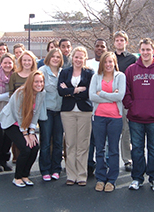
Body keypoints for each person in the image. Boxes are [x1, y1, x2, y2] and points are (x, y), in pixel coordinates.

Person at [123, 38, 154, 192]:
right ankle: (137, 178)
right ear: (140, 51)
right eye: (143, 50)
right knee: (136, 148)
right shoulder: (131, 69)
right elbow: (126, 91)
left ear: (153, 50)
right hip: (135, 117)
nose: (145, 52)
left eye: (148, 50)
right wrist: (132, 105)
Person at [0, 70, 46, 187]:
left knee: (35, 147)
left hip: (25, 123)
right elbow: (18, 114)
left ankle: (25, 175)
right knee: (25, 148)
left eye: (41, 82)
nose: (39, 84)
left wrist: (32, 132)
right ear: (30, 82)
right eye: (36, 82)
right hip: (11, 122)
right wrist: (25, 134)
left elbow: (36, 113)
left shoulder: (41, 94)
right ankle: (17, 177)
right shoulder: (21, 93)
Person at [89, 51, 125, 192]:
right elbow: (92, 96)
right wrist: (112, 95)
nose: (108, 64)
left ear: (114, 62)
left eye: (110, 61)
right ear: (101, 64)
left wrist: (102, 94)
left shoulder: (120, 76)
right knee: (100, 149)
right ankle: (101, 178)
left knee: (113, 149)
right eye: (105, 62)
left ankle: (111, 179)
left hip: (115, 118)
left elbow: (120, 96)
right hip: (98, 117)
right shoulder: (96, 77)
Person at [58, 46, 93, 186]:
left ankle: (81, 175)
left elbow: (89, 92)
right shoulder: (65, 72)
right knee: (70, 144)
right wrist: (77, 90)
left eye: (81, 57)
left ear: (85, 58)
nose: (78, 59)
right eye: (76, 57)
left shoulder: (90, 73)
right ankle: (71, 175)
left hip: (85, 111)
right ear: (72, 57)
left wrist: (69, 90)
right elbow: (60, 91)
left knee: (83, 144)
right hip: (68, 111)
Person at [38, 48, 64, 181]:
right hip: (46, 111)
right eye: (53, 56)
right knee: (46, 141)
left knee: (58, 142)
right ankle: (45, 169)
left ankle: (56, 168)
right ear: (48, 57)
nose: (55, 59)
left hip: (60, 111)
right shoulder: (42, 71)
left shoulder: (63, 73)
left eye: (58, 57)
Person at [114, 31, 137, 172]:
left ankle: (127, 160)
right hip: (111, 98)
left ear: (126, 42)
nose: (119, 42)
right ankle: (111, 159)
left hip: (126, 99)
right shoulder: (109, 57)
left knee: (126, 130)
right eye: (117, 40)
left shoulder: (132, 59)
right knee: (113, 130)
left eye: (122, 40)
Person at [9, 50, 37, 163]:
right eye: (24, 60)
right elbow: (11, 94)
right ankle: (17, 160)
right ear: (20, 61)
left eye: (29, 60)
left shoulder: (35, 75)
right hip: (17, 112)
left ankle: (25, 168)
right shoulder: (15, 75)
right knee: (19, 141)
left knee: (29, 142)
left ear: (33, 62)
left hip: (31, 111)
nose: (26, 62)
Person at [0, 53, 16, 172]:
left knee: (8, 137)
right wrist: (11, 95)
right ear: (1, 63)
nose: (7, 65)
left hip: (11, 110)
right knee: (0, 135)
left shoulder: (15, 76)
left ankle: (5, 160)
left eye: (10, 63)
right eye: (5, 62)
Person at [86, 38, 108, 176]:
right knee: (90, 139)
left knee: (103, 141)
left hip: (105, 108)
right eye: (97, 46)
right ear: (94, 48)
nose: (99, 48)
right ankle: (88, 165)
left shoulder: (109, 65)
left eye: (102, 46)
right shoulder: (88, 64)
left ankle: (103, 166)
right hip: (89, 107)